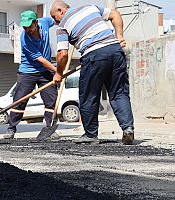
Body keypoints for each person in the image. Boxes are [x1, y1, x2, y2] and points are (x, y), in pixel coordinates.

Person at [50, 1, 134, 144]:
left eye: (54, 17)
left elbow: (62, 54)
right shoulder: (90, 7)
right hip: (115, 50)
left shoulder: (63, 25)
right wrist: (119, 36)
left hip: (93, 56)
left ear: (61, 11)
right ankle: (128, 129)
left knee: (89, 95)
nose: (55, 22)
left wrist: (58, 73)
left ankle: (90, 135)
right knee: (119, 93)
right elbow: (115, 14)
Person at [3, 10, 57, 139]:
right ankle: (11, 128)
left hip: (45, 72)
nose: (27, 29)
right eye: (25, 27)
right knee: (19, 101)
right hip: (28, 72)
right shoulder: (24, 39)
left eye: (29, 26)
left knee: (51, 99)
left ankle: (50, 128)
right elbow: (42, 60)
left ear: (36, 22)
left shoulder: (44, 22)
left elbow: (56, 19)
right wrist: (58, 72)